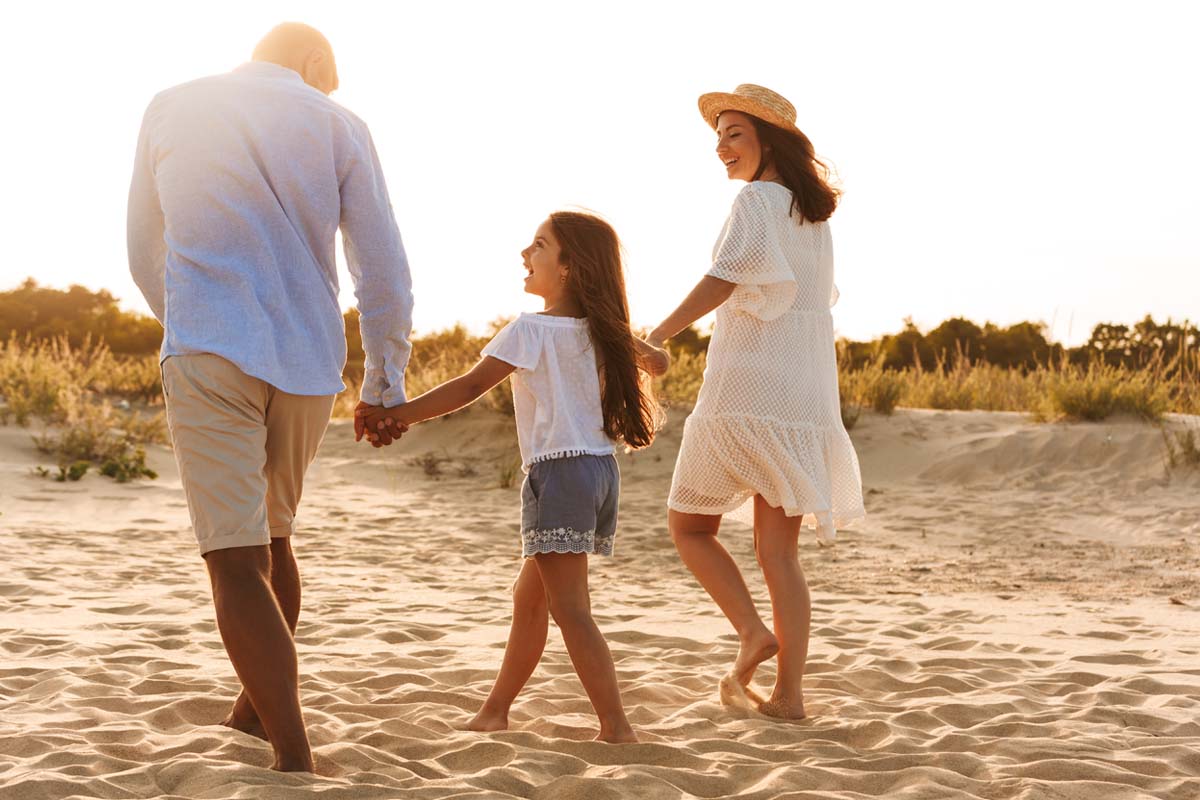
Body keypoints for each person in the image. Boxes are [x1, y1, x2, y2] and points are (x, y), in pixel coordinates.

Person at [127, 22, 413, 771]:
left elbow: (140, 244)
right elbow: (382, 268)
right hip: (307, 362)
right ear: (315, 60)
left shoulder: (171, 103)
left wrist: (194, 315)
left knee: (234, 559)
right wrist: (385, 383)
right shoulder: (340, 124)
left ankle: (294, 757)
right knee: (275, 539)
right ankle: (251, 715)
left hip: (211, 349)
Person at [358, 212, 668, 742]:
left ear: (569, 267)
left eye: (540, 246)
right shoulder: (605, 330)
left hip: (561, 474)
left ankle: (617, 727)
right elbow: (659, 362)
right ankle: (495, 709)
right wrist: (629, 338)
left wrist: (399, 414)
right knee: (531, 601)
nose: (525, 254)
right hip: (597, 472)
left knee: (571, 609)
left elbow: (467, 387)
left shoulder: (530, 329)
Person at [646, 84, 865, 719]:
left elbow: (723, 278)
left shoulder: (756, 202)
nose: (721, 146)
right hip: (804, 392)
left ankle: (750, 632)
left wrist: (658, 333)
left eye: (734, 133)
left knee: (689, 526)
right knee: (779, 553)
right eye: (718, 135)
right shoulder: (811, 216)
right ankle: (789, 697)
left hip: (748, 383)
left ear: (769, 139)